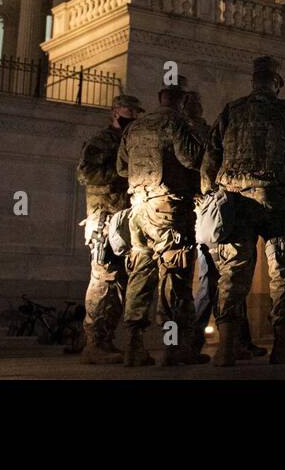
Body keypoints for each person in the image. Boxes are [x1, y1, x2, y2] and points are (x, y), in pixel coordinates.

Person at [205, 55, 285, 366]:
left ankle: (226, 348)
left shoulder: (232, 110)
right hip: (275, 198)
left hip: (234, 199)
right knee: (282, 271)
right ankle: (282, 344)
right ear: (276, 83)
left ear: (254, 82)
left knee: (233, 271)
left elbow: (210, 157)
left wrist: (212, 195)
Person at [117, 82, 207, 367]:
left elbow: (121, 167)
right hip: (168, 209)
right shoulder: (176, 122)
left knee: (140, 276)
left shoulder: (135, 127)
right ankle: (174, 348)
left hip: (138, 209)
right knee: (175, 278)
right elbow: (191, 158)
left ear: (159, 98)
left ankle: (133, 347)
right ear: (181, 101)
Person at [76, 94, 144, 364]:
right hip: (104, 217)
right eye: (130, 111)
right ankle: (94, 344)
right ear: (115, 111)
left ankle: (105, 340)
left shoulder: (127, 140)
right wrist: (121, 174)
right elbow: (85, 173)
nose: (133, 116)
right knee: (104, 279)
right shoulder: (102, 140)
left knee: (119, 282)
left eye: (136, 112)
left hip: (123, 219)